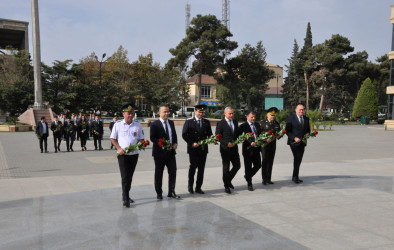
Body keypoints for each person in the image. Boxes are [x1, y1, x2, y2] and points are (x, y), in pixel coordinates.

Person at [110, 104, 145, 208]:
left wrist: (139, 144)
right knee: (124, 176)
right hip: (123, 155)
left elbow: (141, 138)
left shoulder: (137, 125)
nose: (130, 115)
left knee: (130, 176)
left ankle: (126, 195)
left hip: (134, 154)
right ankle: (126, 199)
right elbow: (113, 138)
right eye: (128, 113)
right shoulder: (118, 125)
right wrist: (119, 149)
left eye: (132, 113)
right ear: (123, 114)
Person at [150, 105, 180, 200]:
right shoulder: (155, 124)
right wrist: (162, 144)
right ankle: (159, 193)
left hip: (170, 153)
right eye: (164, 112)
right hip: (159, 154)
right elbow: (153, 138)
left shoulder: (171, 122)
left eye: (168, 112)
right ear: (159, 113)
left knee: (173, 172)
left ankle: (171, 191)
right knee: (159, 173)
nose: (166, 113)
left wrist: (175, 143)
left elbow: (174, 135)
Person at [182, 104, 213, 194]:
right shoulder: (189, 122)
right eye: (199, 112)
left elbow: (209, 133)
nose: (201, 114)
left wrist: (211, 139)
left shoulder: (206, 122)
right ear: (195, 111)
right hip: (193, 149)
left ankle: (198, 187)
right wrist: (192, 143)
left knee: (201, 169)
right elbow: (184, 135)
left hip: (203, 149)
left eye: (202, 112)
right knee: (193, 168)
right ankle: (190, 186)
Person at [215, 107, 241, 194]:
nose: (231, 115)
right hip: (225, 149)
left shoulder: (235, 122)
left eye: (232, 113)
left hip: (234, 147)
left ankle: (227, 180)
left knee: (237, 165)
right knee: (226, 167)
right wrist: (226, 143)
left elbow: (237, 134)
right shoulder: (221, 123)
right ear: (225, 114)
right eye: (230, 113)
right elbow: (218, 136)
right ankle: (226, 186)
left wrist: (242, 137)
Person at [285, 104, 311, 184]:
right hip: (294, 142)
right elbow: (287, 131)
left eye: (302, 109)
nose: (301, 111)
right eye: (300, 109)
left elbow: (308, 130)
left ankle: (294, 175)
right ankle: (296, 177)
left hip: (302, 142)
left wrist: (308, 134)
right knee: (297, 157)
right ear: (296, 110)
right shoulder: (291, 118)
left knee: (299, 159)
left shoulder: (306, 119)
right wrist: (294, 137)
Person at [239, 111, 262, 191]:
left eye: (254, 117)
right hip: (247, 150)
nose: (253, 118)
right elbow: (240, 137)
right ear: (247, 117)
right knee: (248, 167)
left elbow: (260, 134)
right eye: (252, 117)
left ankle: (248, 176)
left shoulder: (257, 125)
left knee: (258, 165)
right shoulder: (243, 126)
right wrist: (249, 141)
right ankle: (249, 184)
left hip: (256, 149)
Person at [260, 107, 281, 185]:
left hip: (272, 145)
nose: (273, 116)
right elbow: (259, 134)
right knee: (264, 161)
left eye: (274, 115)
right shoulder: (262, 123)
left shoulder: (276, 123)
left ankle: (269, 178)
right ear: (267, 114)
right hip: (264, 146)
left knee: (270, 162)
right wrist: (265, 139)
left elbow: (279, 133)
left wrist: (279, 136)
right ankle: (264, 179)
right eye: (271, 115)